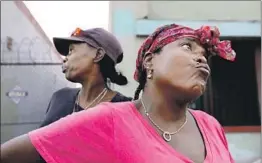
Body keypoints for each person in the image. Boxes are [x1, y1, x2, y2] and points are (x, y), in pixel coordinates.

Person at [1, 24, 236, 163]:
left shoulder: (211, 125)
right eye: (187, 46)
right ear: (149, 62)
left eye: (205, 54)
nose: (201, 58)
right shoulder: (111, 119)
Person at [40, 27, 132, 127]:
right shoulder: (59, 98)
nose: (65, 59)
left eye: (71, 50)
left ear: (98, 54)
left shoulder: (124, 108)